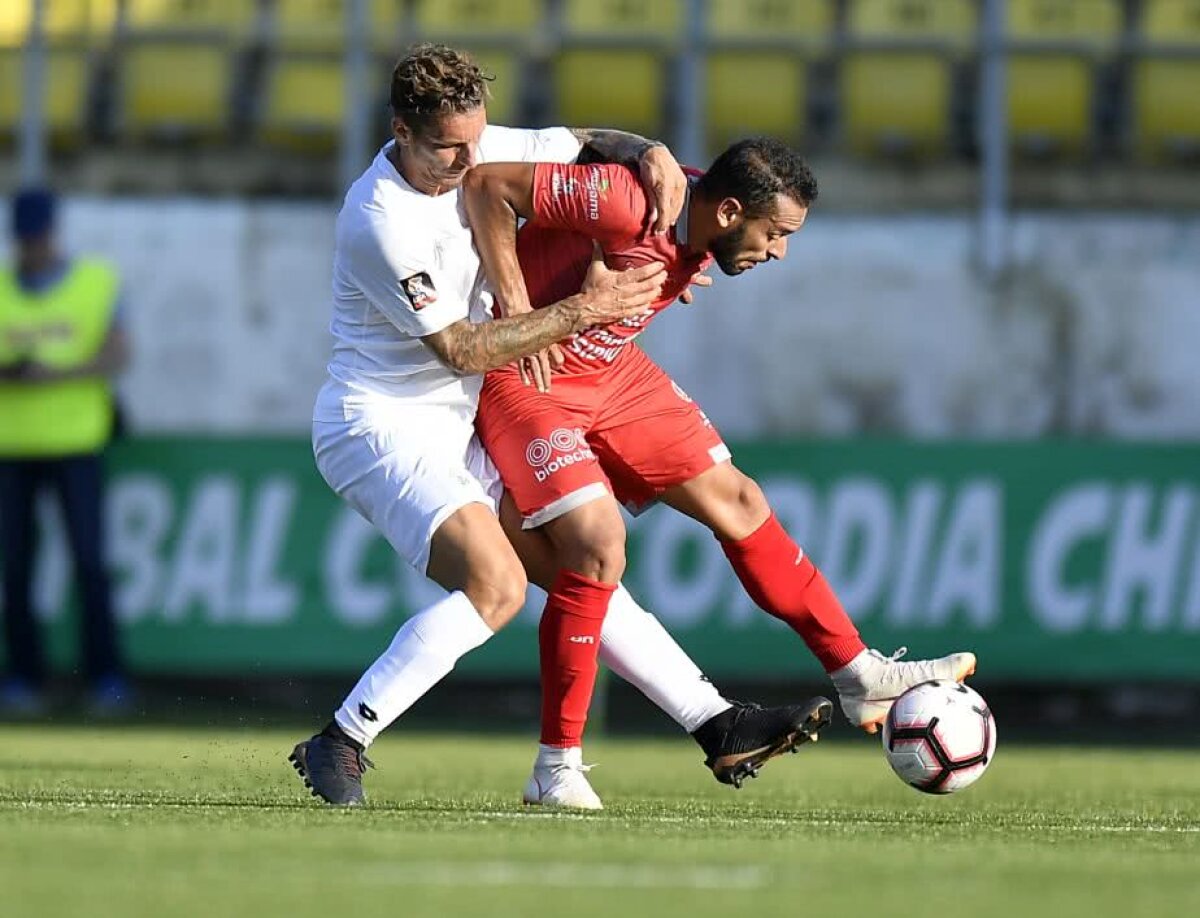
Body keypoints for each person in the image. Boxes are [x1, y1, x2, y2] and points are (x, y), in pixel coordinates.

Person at [289, 45, 832, 810]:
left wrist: (650, 153)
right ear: (399, 131)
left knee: (587, 559)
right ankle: (342, 739)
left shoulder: (479, 146)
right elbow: (462, 347)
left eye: (474, 138)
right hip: (381, 425)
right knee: (499, 586)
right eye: (447, 146)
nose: (467, 158)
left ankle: (716, 723)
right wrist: (582, 312)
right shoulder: (380, 222)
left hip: (458, 418)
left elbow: (583, 136)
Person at [464, 137, 978, 798]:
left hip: (611, 373)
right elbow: (485, 186)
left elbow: (623, 173)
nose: (780, 250)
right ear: (731, 211)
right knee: (594, 549)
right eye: (776, 233)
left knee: (739, 500)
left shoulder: (690, 213)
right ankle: (556, 767)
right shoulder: (630, 201)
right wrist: (516, 306)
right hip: (529, 378)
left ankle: (856, 673)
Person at [0, 188, 131, 715]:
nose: (32, 248)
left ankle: (104, 676)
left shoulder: (94, 282)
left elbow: (118, 353)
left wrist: (55, 374)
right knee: (15, 568)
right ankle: (23, 677)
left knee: (89, 562)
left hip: (78, 443)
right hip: (12, 447)